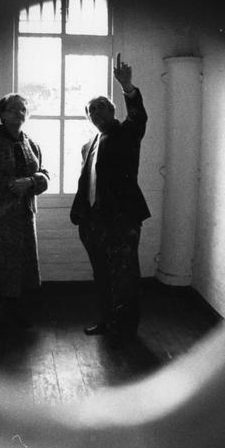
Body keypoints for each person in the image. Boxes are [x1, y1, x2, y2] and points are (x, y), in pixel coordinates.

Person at [70, 53, 150, 338]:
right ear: (88, 117)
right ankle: (106, 322)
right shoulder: (91, 142)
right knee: (102, 276)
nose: (98, 114)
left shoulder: (127, 133)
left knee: (125, 277)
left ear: (113, 111)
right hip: (94, 223)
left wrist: (128, 87)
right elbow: (87, 182)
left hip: (122, 221)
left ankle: (125, 331)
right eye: (92, 111)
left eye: (103, 108)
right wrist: (82, 216)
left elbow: (138, 116)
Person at [0, 93, 49, 331]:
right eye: (13, 109)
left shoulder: (31, 143)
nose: (19, 113)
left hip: (25, 217)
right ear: (1, 114)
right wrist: (11, 183)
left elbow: (45, 175)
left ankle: (14, 316)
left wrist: (32, 181)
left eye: (23, 109)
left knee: (21, 269)